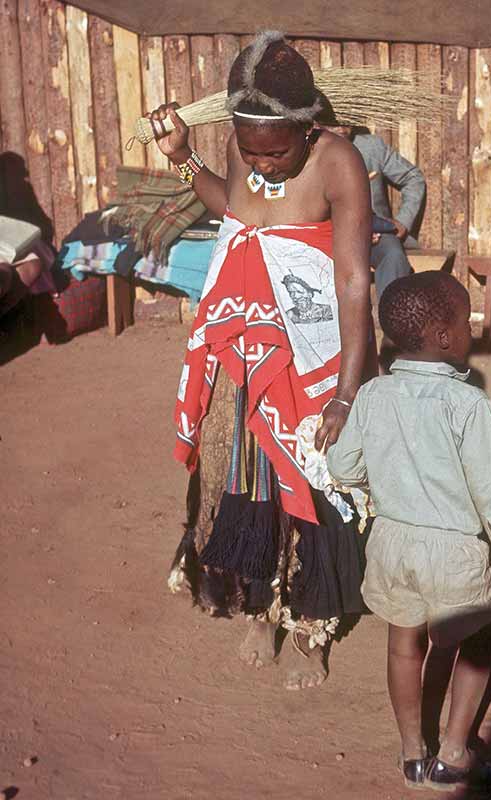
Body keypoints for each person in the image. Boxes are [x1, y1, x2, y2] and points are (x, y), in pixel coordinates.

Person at [150, 31, 377, 690]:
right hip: (250, 347)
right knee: (250, 477)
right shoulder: (249, 150)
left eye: (275, 153)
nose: (263, 166)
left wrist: (344, 391)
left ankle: (310, 627)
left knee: (313, 481)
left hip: (316, 351)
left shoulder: (338, 163)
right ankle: (261, 607)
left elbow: (354, 281)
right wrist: (186, 158)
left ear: (307, 131)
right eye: (250, 152)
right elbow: (238, 213)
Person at [327, 271, 491, 790]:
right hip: (454, 550)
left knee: (403, 643)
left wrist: (383, 487)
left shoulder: (371, 396)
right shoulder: (469, 405)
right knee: (478, 641)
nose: (470, 329)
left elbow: (344, 466)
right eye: (464, 321)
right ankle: (454, 752)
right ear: (443, 336)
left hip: (391, 544)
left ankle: (412, 752)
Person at [326, 126, 426, 300]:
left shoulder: (371, 147)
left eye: (347, 121)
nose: (342, 127)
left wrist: (403, 221)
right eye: (334, 122)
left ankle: (394, 317)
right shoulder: (308, 153)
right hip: (327, 235)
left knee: (393, 255)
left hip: (376, 233)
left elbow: (413, 178)